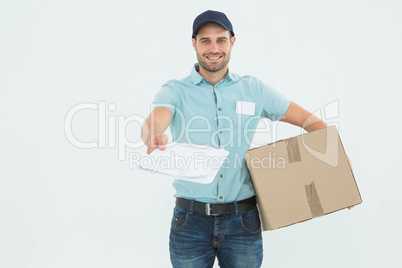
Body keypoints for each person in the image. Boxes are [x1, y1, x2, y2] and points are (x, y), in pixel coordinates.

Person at [141, 10, 328, 268]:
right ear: (193, 43)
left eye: (221, 40)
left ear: (232, 42)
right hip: (190, 223)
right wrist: (153, 134)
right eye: (205, 40)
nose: (214, 48)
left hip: (243, 222)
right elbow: (156, 119)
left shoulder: (254, 89)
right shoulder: (175, 90)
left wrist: (336, 161)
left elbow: (311, 121)